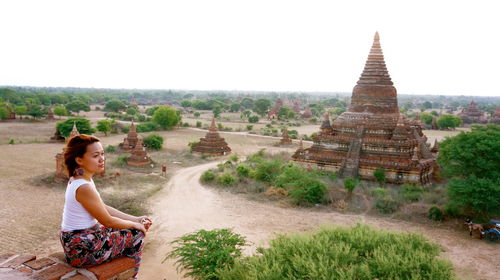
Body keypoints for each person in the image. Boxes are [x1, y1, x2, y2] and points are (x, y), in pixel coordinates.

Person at [59, 134, 152, 279]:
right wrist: (136, 226)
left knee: (125, 227)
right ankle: (131, 275)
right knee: (136, 235)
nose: (102, 159)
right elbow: (107, 221)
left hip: (83, 239)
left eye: (102, 154)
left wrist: (135, 219)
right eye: (96, 155)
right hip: (81, 249)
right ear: (79, 160)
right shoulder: (83, 186)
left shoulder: (82, 178)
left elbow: (102, 207)